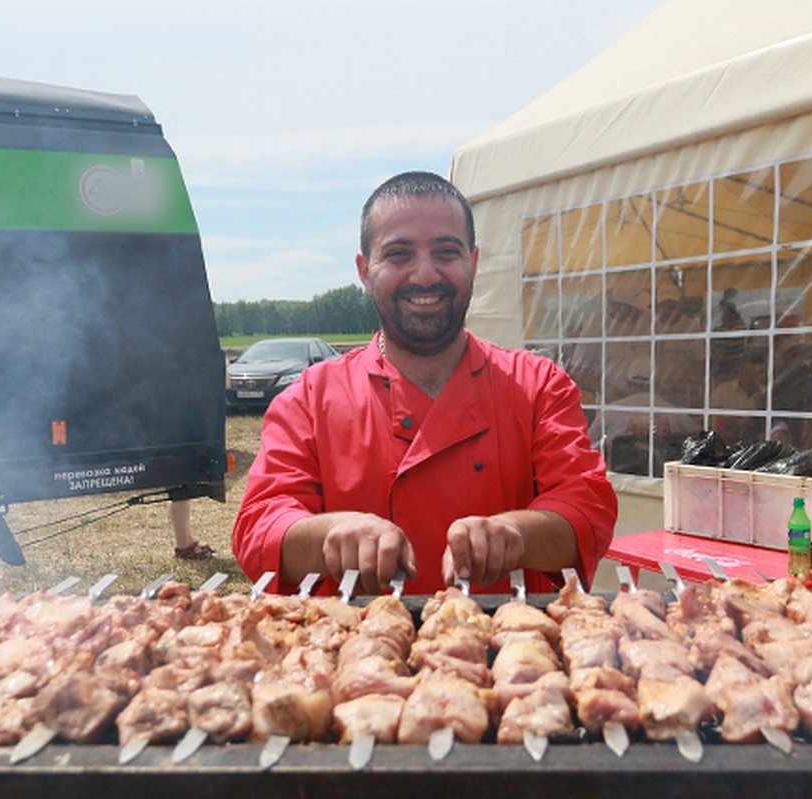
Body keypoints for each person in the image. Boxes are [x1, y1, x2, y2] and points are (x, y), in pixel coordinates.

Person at [232, 171, 618, 596]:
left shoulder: (538, 385)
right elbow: (259, 528)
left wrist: (514, 532)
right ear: (365, 271)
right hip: (348, 649)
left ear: (473, 262)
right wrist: (331, 533)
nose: (425, 274)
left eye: (446, 252)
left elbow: (587, 509)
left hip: (508, 650)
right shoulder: (308, 398)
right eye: (398, 255)